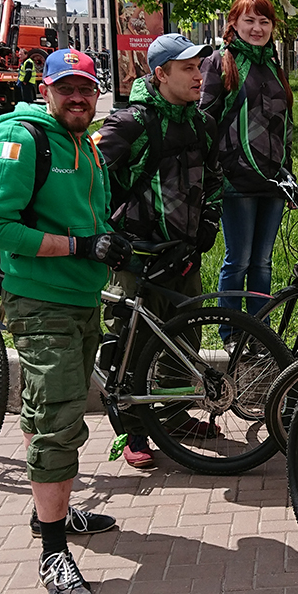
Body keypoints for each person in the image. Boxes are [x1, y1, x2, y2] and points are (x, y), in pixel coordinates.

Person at [0, 48, 132, 594]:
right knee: (61, 420)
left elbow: (89, 218)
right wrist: (79, 246)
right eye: (66, 88)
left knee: (44, 412)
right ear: (46, 90)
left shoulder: (84, 145)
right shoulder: (22, 140)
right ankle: (53, 549)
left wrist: (108, 240)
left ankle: (53, 510)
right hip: (41, 301)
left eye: (86, 88)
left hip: (81, 298)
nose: (77, 97)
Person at [95, 33, 222, 469]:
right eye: (188, 68)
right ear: (161, 74)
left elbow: (215, 179)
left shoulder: (202, 123)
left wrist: (210, 221)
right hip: (137, 256)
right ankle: (133, 431)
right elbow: (87, 177)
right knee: (130, 344)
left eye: (199, 67)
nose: (199, 76)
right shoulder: (130, 124)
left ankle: (173, 417)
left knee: (185, 339)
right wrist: (103, 233)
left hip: (183, 253)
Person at [199, 0, 293, 329]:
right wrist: (214, 172)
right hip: (235, 181)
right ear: (233, 23)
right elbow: (205, 119)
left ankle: (258, 332)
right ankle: (230, 331)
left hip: (273, 182)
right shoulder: (220, 62)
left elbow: (285, 126)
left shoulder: (273, 65)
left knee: (263, 262)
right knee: (237, 260)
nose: (257, 28)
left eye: (264, 21)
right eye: (249, 20)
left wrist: (289, 175)